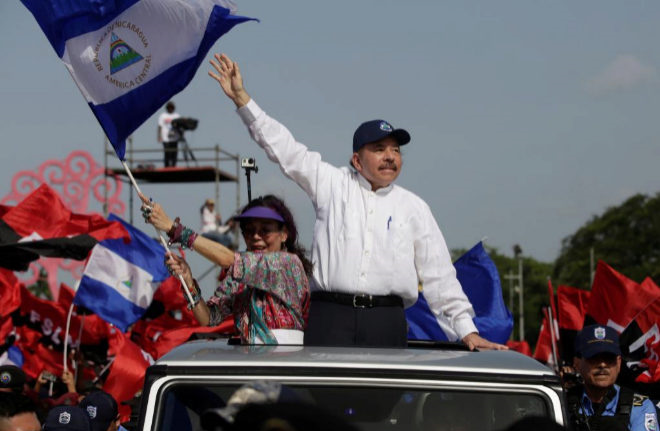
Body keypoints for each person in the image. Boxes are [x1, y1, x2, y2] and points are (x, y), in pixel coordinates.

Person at [208, 53, 506, 350]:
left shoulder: (414, 208)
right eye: (379, 149)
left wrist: (467, 331)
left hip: (386, 320)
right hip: (330, 317)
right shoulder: (331, 184)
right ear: (357, 160)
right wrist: (242, 99)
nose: (390, 156)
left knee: (385, 384)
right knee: (321, 384)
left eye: (396, 150)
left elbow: (439, 275)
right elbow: (285, 149)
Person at [140, 193, 311, 345]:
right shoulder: (240, 278)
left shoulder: (288, 263)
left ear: (284, 234)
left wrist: (174, 229)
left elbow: (228, 259)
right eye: (249, 231)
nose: (256, 237)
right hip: (249, 359)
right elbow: (209, 318)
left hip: (285, 359)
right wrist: (188, 282)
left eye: (265, 231)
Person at [567, 324, 658, 431]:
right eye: (594, 357)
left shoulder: (640, 407)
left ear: (619, 363)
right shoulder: (561, 403)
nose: (602, 364)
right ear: (577, 363)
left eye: (609, 358)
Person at [157, 101, 181, 167]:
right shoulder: (163, 116)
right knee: (167, 153)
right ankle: (167, 166)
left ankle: (174, 166)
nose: (170, 109)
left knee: (174, 153)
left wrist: (181, 135)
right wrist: (159, 136)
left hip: (174, 138)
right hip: (166, 138)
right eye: (169, 107)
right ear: (167, 108)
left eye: (171, 107)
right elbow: (160, 126)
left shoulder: (177, 116)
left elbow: (180, 126)